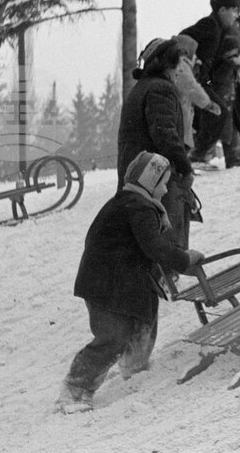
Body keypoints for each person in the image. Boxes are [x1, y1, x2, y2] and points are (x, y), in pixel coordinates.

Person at [56, 151, 205, 414]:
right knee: (113, 336)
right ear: (149, 182)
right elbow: (154, 246)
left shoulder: (133, 202)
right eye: (162, 184)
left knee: (144, 318)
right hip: (104, 284)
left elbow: (149, 245)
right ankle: (75, 389)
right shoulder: (138, 207)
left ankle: (134, 368)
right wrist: (184, 258)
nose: (164, 190)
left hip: (121, 280)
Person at [117, 38, 194, 249]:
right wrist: (184, 168)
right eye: (178, 65)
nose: (180, 71)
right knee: (165, 240)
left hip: (138, 177)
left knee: (144, 238)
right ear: (167, 65)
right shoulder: (160, 89)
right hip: (156, 178)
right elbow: (165, 135)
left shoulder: (141, 88)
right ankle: (170, 269)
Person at [180, 0, 240, 168]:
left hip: (204, 78)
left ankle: (205, 155)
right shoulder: (210, 25)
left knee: (220, 111)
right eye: (233, 10)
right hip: (196, 77)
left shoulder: (219, 27)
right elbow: (183, 38)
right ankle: (197, 156)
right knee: (217, 111)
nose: (236, 15)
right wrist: (189, 60)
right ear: (222, 10)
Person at [171, 34, 221, 158]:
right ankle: (181, 165)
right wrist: (208, 104)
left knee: (181, 141)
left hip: (180, 110)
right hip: (179, 111)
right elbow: (191, 86)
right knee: (180, 142)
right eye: (194, 52)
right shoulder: (181, 66)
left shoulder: (177, 64)